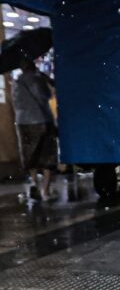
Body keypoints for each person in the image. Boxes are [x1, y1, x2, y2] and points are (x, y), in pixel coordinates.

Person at [12, 56, 58, 201]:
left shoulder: (16, 83)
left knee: (30, 155)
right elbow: (46, 96)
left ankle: (34, 183)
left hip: (22, 122)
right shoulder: (37, 79)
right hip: (41, 120)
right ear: (33, 66)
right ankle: (45, 192)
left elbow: (16, 102)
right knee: (47, 155)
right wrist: (45, 78)